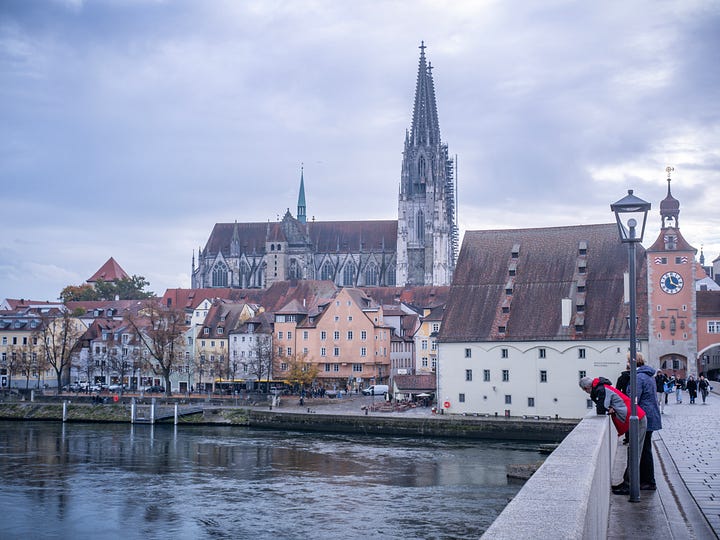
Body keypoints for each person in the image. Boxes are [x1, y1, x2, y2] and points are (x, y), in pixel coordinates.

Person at [579, 375, 647, 495]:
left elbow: (601, 408)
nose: (586, 392)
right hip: (635, 418)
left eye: (585, 390)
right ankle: (627, 483)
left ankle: (629, 486)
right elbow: (605, 407)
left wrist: (608, 408)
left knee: (634, 453)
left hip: (637, 419)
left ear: (587, 387)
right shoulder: (602, 387)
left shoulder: (601, 389)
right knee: (633, 452)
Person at [636, 355, 662, 490]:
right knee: (646, 448)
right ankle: (647, 480)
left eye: (628, 361)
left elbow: (635, 398)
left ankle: (649, 481)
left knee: (644, 450)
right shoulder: (649, 375)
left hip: (644, 416)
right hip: (651, 415)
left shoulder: (639, 377)